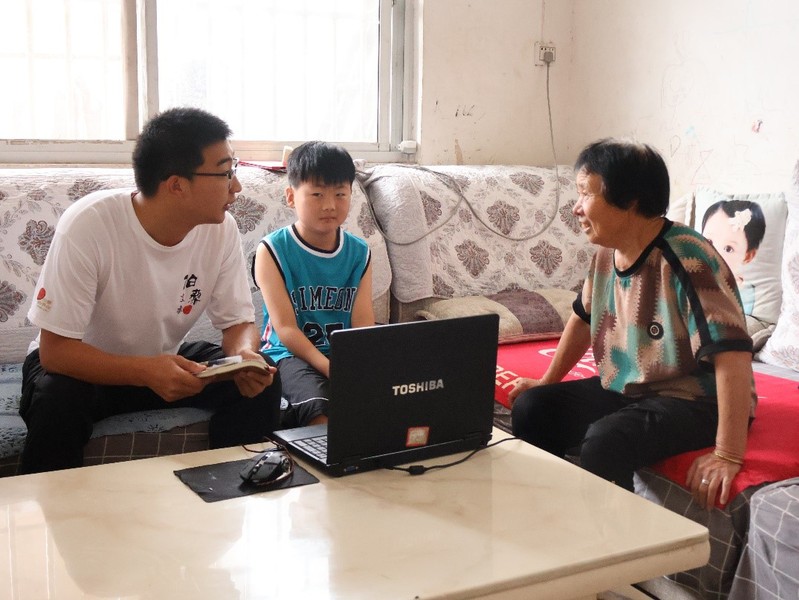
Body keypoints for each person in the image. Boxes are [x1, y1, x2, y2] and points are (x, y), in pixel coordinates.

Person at [20, 107, 281, 474]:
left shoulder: (221, 230)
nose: (236, 186)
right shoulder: (90, 224)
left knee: (264, 377)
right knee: (57, 398)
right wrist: (145, 371)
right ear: (176, 185)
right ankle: (54, 506)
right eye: (225, 172)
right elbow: (56, 352)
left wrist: (244, 358)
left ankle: (230, 488)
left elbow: (237, 322)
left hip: (163, 363)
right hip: (85, 370)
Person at [509, 138, 756, 509]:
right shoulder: (606, 255)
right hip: (633, 387)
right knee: (532, 408)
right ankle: (548, 513)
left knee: (605, 442)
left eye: (585, 193)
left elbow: (733, 354)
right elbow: (582, 318)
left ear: (631, 201)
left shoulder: (688, 258)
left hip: (698, 400)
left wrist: (727, 454)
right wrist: (546, 382)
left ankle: (615, 540)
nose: (576, 208)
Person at [253, 141, 374, 428]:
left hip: (341, 354)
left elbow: (362, 322)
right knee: (319, 410)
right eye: (317, 194)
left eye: (340, 194)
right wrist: (330, 368)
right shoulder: (272, 250)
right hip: (287, 355)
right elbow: (285, 329)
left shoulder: (359, 252)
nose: (329, 205)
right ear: (291, 196)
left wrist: (363, 366)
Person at [700, 199, 766, 314]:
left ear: (748, 256)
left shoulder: (745, 294)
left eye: (728, 249)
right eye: (709, 241)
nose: (714, 253)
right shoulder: (696, 277)